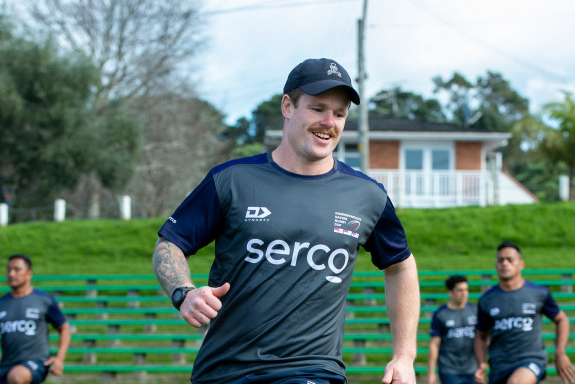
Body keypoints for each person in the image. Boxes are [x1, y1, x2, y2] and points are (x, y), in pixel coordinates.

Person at [153, 57, 420, 384]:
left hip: (311, 372)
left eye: (339, 114)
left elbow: (401, 266)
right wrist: (184, 292)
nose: (329, 122)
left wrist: (404, 356)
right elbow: (170, 244)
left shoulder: (367, 195)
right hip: (222, 372)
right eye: (318, 108)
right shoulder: (232, 180)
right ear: (287, 106)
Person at [474, 241, 575, 384]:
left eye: (510, 259)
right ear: (496, 265)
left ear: (521, 264)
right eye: (500, 260)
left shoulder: (538, 293)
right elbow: (481, 336)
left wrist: (560, 352)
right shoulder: (487, 300)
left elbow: (562, 320)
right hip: (499, 365)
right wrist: (481, 363)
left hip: (531, 360)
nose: (505, 263)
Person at [0, 254, 71, 384]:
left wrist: (59, 359)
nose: (11, 273)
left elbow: (64, 328)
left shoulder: (43, 300)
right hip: (6, 365)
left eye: (16, 269)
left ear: (29, 274)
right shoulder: (2, 303)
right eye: (8, 270)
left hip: (35, 363)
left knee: (17, 377)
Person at [427, 275, 477, 384]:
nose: (464, 293)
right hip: (449, 369)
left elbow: (483, 339)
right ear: (450, 292)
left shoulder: (475, 311)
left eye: (466, 290)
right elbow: (434, 345)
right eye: (460, 290)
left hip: (472, 368)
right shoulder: (440, 314)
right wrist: (431, 373)